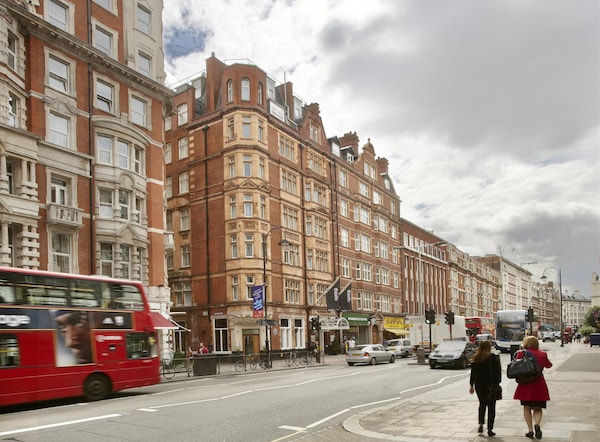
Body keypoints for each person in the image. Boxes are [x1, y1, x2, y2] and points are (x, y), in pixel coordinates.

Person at [513, 335, 553, 439]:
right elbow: (549, 365)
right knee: (538, 408)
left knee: (526, 407)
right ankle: (537, 425)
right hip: (539, 385)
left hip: (525, 385)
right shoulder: (542, 354)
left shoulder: (521, 354)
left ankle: (530, 430)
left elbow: (516, 366)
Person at [469, 340, 502, 436]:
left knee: (482, 404)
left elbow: (473, 374)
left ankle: (480, 424)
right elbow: (497, 372)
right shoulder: (492, 357)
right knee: (491, 407)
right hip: (491, 385)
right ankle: (490, 429)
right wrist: (497, 383)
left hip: (479, 385)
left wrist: (471, 385)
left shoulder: (476, 358)